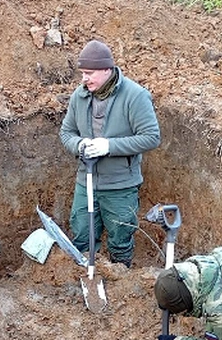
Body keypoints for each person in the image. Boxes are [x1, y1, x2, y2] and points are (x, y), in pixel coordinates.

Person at [59, 39, 161, 268]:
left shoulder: (135, 96)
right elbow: (66, 132)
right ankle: (86, 277)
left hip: (120, 186)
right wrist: (79, 145)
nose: (84, 79)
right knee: (83, 237)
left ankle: (121, 278)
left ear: (107, 70)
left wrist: (109, 147)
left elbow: (151, 137)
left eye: (89, 73)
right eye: (82, 73)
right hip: (86, 183)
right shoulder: (80, 96)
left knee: (120, 240)